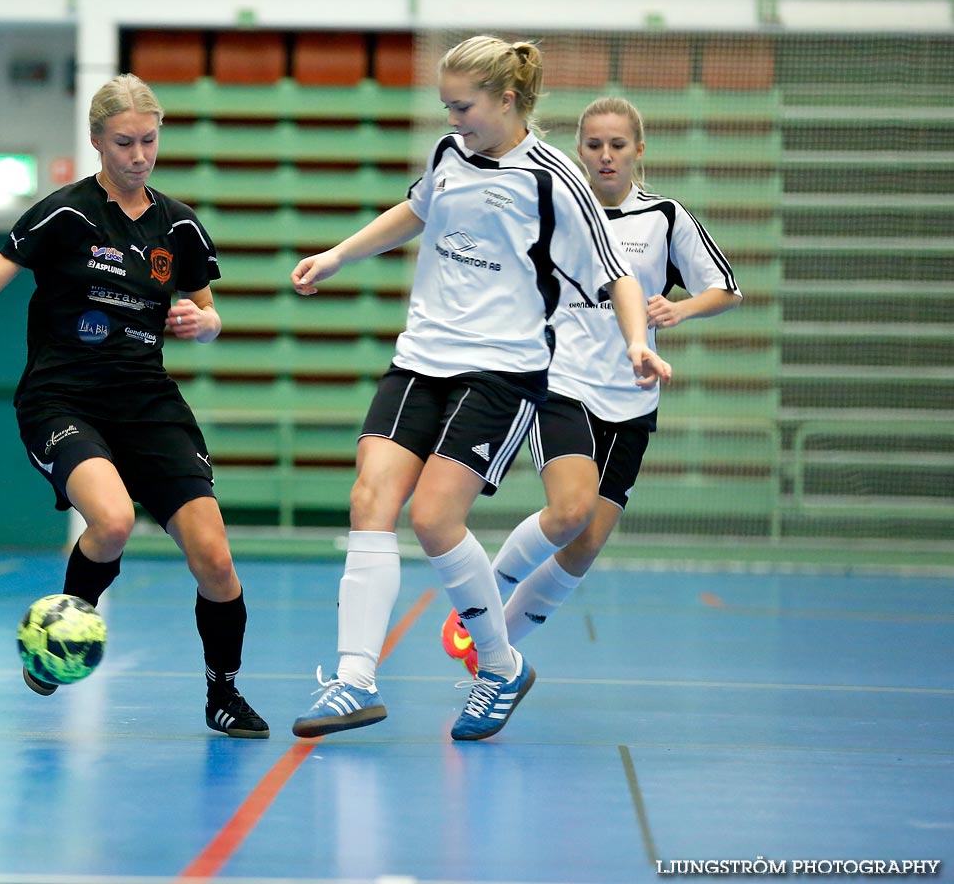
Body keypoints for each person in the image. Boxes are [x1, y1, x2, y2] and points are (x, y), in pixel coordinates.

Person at [288, 36, 672, 742]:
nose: (453, 117)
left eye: (463, 106)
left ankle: (499, 666)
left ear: (506, 100)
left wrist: (637, 341)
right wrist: (341, 253)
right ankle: (354, 680)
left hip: (501, 370)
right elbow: (418, 209)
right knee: (370, 495)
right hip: (421, 357)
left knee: (435, 519)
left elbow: (617, 273)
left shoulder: (555, 178)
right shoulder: (447, 154)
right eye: (446, 105)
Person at [0, 74, 269, 739]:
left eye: (149, 141)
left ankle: (224, 692)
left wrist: (199, 323)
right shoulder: (64, 214)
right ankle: (58, 632)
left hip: (148, 403)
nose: (139, 155)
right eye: (124, 142)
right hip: (62, 398)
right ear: (97, 141)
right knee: (115, 520)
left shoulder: (178, 225)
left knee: (214, 558)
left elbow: (210, 315)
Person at [442, 97, 740, 675]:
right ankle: (480, 600)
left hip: (631, 395)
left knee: (586, 543)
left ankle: (492, 652)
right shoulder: (553, 208)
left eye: (618, 145)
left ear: (639, 150)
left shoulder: (666, 218)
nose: (606, 156)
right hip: (561, 382)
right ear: (579, 150)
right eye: (595, 145)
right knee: (570, 510)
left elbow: (724, 288)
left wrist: (681, 311)